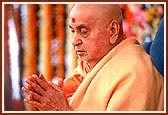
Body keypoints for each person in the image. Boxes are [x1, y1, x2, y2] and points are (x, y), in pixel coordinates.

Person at [22, 4, 164, 111]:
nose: (74, 41)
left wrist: (61, 110)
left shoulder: (133, 74)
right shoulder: (93, 65)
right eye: (73, 31)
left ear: (113, 31)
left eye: (83, 32)